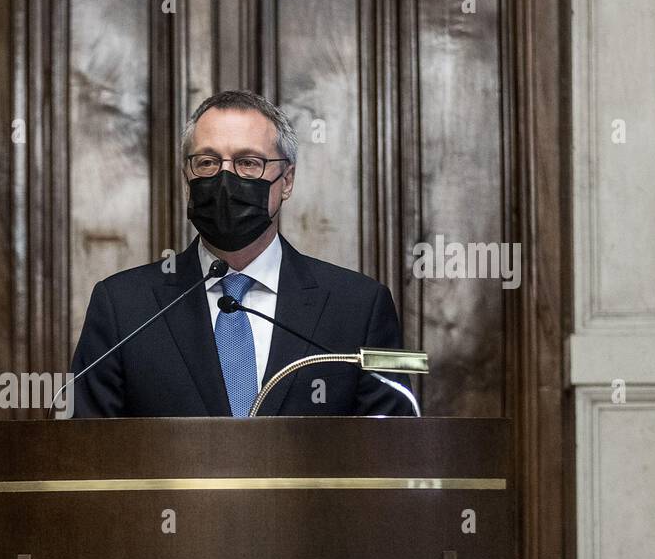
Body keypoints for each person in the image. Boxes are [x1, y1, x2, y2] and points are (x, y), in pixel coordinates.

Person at [71, 89, 413, 418]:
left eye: (248, 163)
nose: (225, 178)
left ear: (287, 180)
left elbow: (393, 449)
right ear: (186, 178)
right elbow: (86, 451)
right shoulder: (122, 307)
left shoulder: (360, 307)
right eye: (207, 162)